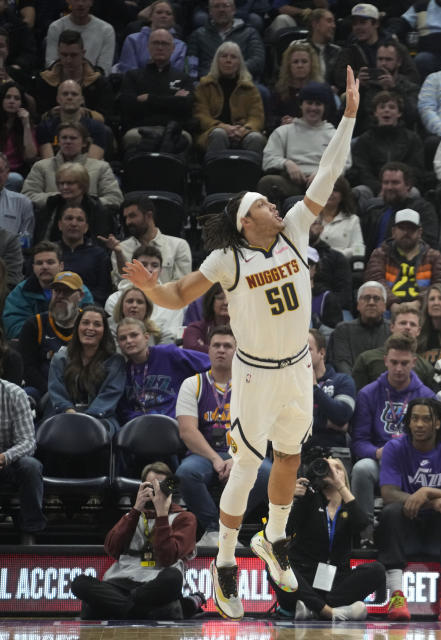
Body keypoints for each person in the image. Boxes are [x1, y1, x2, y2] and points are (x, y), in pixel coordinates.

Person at [121, 67, 360, 621]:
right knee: (247, 467)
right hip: (254, 373)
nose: (277, 208)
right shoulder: (228, 258)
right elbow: (180, 293)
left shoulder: (297, 231)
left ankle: (272, 538)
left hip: (300, 367)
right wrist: (150, 286)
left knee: (293, 457)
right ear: (245, 218)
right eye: (264, 206)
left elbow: (327, 172)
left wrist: (347, 116)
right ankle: (224, 560)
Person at [175, 325, 270, 547]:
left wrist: (236, 459)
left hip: (242, 453)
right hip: (204, 454)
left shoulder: (251, 387)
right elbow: (187, 431)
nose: (221, 350)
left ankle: (229, 526)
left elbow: (259, 431)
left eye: (227, 346)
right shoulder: (193, 384)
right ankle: (213, 528)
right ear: (208, 350)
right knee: (185, 473)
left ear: (237, 351)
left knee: (266, 472)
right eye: (216, 345)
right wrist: (216, 459)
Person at [70, 462, 202, 620]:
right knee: (80, 583)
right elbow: (112, 549)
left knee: (173, 578)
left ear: (170, 489)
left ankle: (115, 607)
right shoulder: (132, 516)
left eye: (161, 486)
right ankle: (143, 612)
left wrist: (162, 515)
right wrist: (136, 510)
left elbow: (167, 558)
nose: (156, 492)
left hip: (155, 584)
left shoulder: (185, 518)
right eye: (151, 487)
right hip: (120, 582)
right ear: (142, 488)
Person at [378, 397, 441, 622]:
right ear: (408, 423)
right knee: (390, 512)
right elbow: (389, 493)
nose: (419, 424)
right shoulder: (395, 448)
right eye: (414, 419)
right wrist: (427, 501)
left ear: (437, 423)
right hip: (409, 523)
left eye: (426, 419)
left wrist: (427, 491)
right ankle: (397, 597)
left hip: (439, 530)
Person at [278, 453, 381, 620]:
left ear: (344, 476)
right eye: (326, 467)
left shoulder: (349, 506)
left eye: (337, 468)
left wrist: (340, 486)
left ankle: (313, 610)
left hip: (335, 582)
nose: (331, 472)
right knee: (276, 567)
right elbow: (285, 530)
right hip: (305, 578)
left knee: (376, 570)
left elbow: (363, 526)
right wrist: (290, 497)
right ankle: (329, 611)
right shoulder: (309, 499)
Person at [349, 332, 436, 528]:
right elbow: (359, 441)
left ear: (414, 362)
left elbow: (435, 441)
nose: (398, 368)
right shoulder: (368, 394)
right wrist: (377, 452)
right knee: (362, 468)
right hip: (382, 459)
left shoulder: (427, 396)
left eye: (404, 363)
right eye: (394, 362)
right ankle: (365, 532)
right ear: (385, 360)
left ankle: (429, 529)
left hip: (415, 460)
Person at [259, 81, 346, 204]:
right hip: (291, 183)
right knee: (267, 182)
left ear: (324, 107)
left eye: (318, 104)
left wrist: (324, 173)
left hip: (325, 185)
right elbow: (268, 159)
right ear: (301, 105)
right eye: (309, 103)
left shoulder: (335, 135)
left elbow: (344, 163)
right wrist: (287, 163)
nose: (313, 108)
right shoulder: (284, 131)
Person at [45, 304, 125, 434]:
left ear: (104, 330)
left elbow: (110, 394)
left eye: (97, 324)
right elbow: (56, 391)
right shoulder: (60, 358)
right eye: (85, 323)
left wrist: (87, 418)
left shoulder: (115, 361)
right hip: (64, 414)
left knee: (95, 433)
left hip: (101, 417)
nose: (90, 328)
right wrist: (70, 413)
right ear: (77, 327)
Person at [116, 318, 211, 426]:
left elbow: (210, 364)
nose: (128, 341)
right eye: (123, 338)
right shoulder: (123, 370)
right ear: (119, 343)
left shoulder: (167, 353)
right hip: (139, 429)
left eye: (134, 335)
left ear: (146, 337)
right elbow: (124, 410)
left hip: (175, 425)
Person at [118, 28, 194, 152]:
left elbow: (186, 108)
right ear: (148, 46)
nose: (160, 47)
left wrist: (149, 99)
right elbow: (129, 107)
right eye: (155, 43)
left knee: (183, 139)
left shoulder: (183, 78)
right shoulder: (132, 76)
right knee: (132, 137)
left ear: (173, 48)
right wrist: (173, 100)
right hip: (139, 128)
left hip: (175, 130)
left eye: (164, 44)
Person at [363, 208, 441, 310]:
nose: (406, 232)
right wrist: (393, 304)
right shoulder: (381, 254)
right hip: (386, 308)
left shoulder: (434, 257)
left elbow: (440, 286)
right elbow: (375, 283)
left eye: (411, 229)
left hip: (424, 310)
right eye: (402, 228)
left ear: (419, 232)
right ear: (393, 231)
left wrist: (418, 303)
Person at [18, 270, 85, 399]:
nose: (60, 295)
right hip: (44, 389)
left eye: (66, 291)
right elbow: (28, 367)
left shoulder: (90, 323)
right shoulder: (35, 324)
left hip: (82, 389)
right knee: (27, 394)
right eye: (56, 291)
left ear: (80, 295)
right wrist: (53, 393)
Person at [3, 242, 93, 337]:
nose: (44, 267)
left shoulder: (78, 289)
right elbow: (14, 328)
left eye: (50, 262)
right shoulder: (21, 292)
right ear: (33, 267)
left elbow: (88, 322)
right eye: (39, 263)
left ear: (61, 266)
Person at [103, 196, 193, 288]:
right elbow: (121, 286)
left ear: (149, 216)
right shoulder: (120, 249)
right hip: (134, 301)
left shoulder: (179, 246)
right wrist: (119, 254)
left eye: (132, 216)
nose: (128, 222)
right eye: (126, 218)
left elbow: (181, 286)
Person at [347, 90, 424, 196]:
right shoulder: (365, 139)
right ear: (375, 113)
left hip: (403, 188)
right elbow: (362, 170)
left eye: (392, 107)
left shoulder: (412, 139)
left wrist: (399, 186)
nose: (386, 110)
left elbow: (415, 169)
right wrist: (379, 188)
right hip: (373, 189)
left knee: (414, 193)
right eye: (382, 107)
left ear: (399, 113)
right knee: (359, 191)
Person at [193, 41, 265, 154]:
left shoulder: (250, 88)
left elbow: (256, 118)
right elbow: (201, 116)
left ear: (239, 63)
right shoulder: (204, 86)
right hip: (212, 132)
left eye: (233, 57)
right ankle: (215, 170)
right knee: (219, 134)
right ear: (217, 61)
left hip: (242, 133)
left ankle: (250, 171)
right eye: (224, 56)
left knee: (256, 138)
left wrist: (245, 130)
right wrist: (222, 126)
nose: (228, 60)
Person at [351, 302, 436, 392]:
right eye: (403, 323)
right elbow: (357, 396)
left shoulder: (426, 368)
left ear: (418, 331)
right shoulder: (366, 359)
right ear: (392, 327)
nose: (408, 327)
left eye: (412, 324)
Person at [0, 377, 45, 544]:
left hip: (9, 461)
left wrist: (5, 457)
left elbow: (28, 442)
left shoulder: (15, 394)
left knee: (31, 466)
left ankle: (30, 530)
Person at [360, 161, 441, 253]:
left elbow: (429, 242)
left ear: (408, 186)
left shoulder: (423, 209)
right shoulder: (374, 211)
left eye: (395, 182)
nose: (389, 187)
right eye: (386, 183)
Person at [34, 30, 114, 118]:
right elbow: (38, 116)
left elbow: (107, 117)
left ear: (83, 53)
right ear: (58, 53)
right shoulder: (44, 81)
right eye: (64, 55)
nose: (68, 60)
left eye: (73, 55)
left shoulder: (99, 82)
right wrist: (51, 113)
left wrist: (88, 114)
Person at [304, 329, 357, 450]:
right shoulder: (290, 385)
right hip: (296, 453)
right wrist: (325, 423)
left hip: (331, 453)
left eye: (308, 349)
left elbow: (342, 415)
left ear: (322, 353)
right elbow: (284, 422)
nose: (302, 356)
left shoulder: (343, 380)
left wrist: (314, 387)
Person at [187, 0, 265, 81]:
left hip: (241, 82)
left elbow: (258, 61)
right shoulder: (198, 34)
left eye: (225, 6)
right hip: (208, 83)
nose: (221, 10)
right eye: (216, 6)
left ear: (233, 10)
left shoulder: (250, 33)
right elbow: (189, 64)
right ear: (210, 11)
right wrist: (214, 73)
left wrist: (233, 69)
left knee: (262, 91)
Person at [35, 79, 109, 160]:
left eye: (74, 94)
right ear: (58, 99)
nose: (69, 97)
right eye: (65, 94)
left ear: (82, 100)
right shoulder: (45, 127)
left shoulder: (97, 128)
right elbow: (48, 163)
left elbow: (93, 163)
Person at [55, 206, 111, 304]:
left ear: (86, 228)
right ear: (59, 225)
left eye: (79, 220)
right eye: (69, 218)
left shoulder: (99, 254)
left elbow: (103, 292)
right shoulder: (50, 252)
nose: (74, 223)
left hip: (89, 309)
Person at [329, 281, 389, 374]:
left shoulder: (393, 330)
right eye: (366, 298)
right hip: (353, 385)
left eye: (376, 298)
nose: (371, 302)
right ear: (358, 305)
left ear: (384, 306)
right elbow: (341, 363)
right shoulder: (343, 330)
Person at [114, 1, 186, 75]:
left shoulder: (180, 46)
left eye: (168, 13)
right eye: (159, 12)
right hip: (134, 84)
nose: (164, 16)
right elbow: (128, 71)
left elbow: (177, 75)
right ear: (150, 16)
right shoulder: (132, 40)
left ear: (173, 20)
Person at [43, 0, 114, 72]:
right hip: (61, 78)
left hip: (94, 80)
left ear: (91, 2)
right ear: (68, 1)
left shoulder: (106, 30)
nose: (80, 4)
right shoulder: (56, 27)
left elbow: (105, 68)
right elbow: (50, 63)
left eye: (84, 0)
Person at [306, 177, 364, 262]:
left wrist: (337, 256)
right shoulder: (308, 216)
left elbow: (359, 249)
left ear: (343, 195)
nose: (330, 193)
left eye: (335, 190)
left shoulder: (353, 220)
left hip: (340, 265)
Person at [269, 41, 323, 129]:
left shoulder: (321, 91)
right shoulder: (279, 91)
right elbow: (269, 120)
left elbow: (330, 119)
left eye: (304, 61)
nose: (300, 65)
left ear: (311, 65)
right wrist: (281, 121)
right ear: (289, 66)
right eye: (295, 62)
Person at [0, 81, 36, 187]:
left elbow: (30, 157)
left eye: (16, 98)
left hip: (17, 173)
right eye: (8, 97)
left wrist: (26, 125)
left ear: (22, 103)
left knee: (15, 178)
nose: (12, 101)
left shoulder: (26, 125)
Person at [111, 286, 175, 345]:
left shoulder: (155, 329)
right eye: (130, 301)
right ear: (121, 306)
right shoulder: (112, 330)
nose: (134, 305)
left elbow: (169, 339)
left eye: (140, 302)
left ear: (147, 309)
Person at [182, 283, 230, 353]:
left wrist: (204, 347)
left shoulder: (244, 330)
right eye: (220, 298)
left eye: (230, 298)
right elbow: (192, 349)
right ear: (210, 301)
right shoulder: (195, 328)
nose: (226, 302)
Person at [0, 152, 33, 242]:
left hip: (10, 254)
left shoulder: (22, 202)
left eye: (0, 171)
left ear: (7, 173)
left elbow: (26, 241)